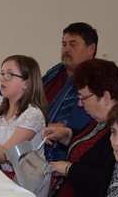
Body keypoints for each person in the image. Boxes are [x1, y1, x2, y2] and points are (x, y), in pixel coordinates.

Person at [41, 59, 118, 197]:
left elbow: (108, 180)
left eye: (83, 98)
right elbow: (90, 148)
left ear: (105, 97)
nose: (80, 104)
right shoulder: (102, 121)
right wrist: (67, 135)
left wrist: (67, 169)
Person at [41, 22, 98, 161]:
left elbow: (81, 126)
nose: (66, 49)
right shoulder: (56, 71)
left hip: (60, 153)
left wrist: (33, 127)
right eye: (63, 44)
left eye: (73, 45)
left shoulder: (94, 80)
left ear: (91, 48)